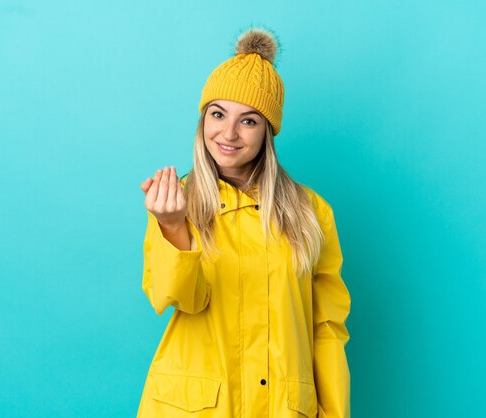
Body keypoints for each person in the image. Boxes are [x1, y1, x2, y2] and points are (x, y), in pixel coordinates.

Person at [136, 27, 351, 418]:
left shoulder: (311, 212)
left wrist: (334, 412)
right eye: (218, 114)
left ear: (267, 131)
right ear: (203, 120)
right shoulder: (176, 202)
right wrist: (172, 227)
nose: (229, 134)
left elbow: (327, 327)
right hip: (197, 408)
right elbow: (176, 298)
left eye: (249, 121)